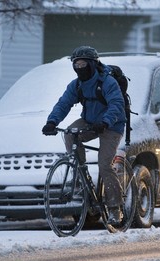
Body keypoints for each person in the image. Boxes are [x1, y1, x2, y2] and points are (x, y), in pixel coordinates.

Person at [42, 46, 126, 225]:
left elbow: (116, 104)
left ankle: (114, 209)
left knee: (104, 165)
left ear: (93, 64)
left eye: (83, 63)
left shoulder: (107, 82)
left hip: (112, 125)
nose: (80, 67)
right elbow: (63, 103)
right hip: (89, 121)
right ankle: (81, 173)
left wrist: (105, 122)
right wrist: (52, 122)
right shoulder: (76, 85)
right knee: (70, 134)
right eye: (76, 64)